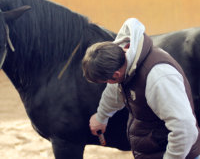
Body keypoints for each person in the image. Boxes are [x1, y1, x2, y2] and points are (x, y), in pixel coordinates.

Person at [82, 18, 200, 159]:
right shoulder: (125, 61)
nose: (110, 84)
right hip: (154, 150)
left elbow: (185, 129)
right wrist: (101, 117)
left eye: (108, 80)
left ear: (116, 75)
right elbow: (113, 92)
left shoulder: (158, 78)